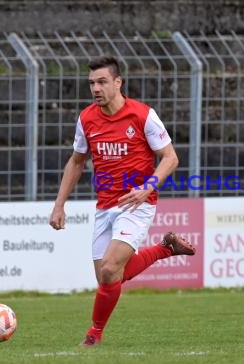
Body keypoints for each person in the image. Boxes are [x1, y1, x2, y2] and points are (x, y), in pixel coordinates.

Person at [49, 56, 196, 347]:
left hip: (137, 203)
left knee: (109, 269)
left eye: (102, 81)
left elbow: (170, 158)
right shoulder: (87, 118)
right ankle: (165, 248)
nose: (95, 88)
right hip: (105, 206)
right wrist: (59, 204)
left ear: (118, 82)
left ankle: (93, 335)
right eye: (91, 83)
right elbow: (77, 161)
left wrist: (147, 187)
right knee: (108, 277)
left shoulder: (142, 115)